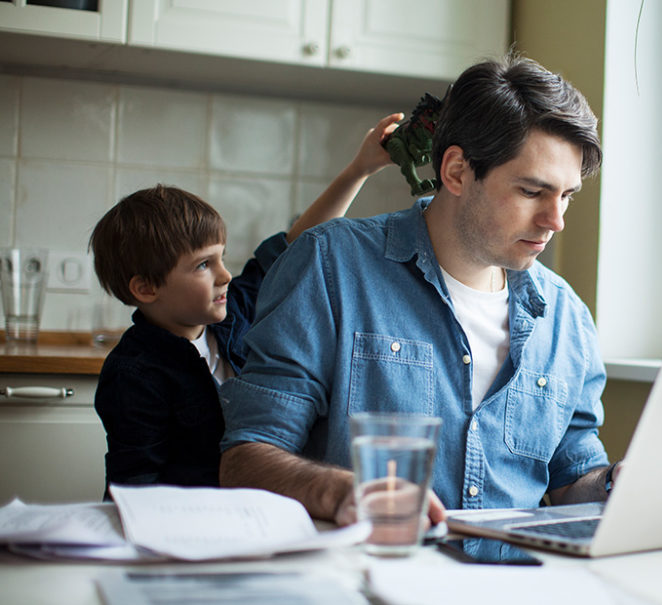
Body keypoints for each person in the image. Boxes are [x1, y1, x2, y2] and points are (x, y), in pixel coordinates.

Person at [219, 54, 621, 526]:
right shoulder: (331, 265)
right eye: (532, 192)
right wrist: (337, 490)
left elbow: (574, 480)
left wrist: (617, 484)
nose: (556, 221)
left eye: (566, 195)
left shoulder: (566, 317)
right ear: (455, 172)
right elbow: (245, 459)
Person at [90, 114, 403, 498]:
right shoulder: (132, 374)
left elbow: (295, 246)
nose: (225, 275)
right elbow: (133, 486)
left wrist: (359, 170)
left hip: (258, 509)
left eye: (222, 258)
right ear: (146, 288)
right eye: (203, 265)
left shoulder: (233, 308)